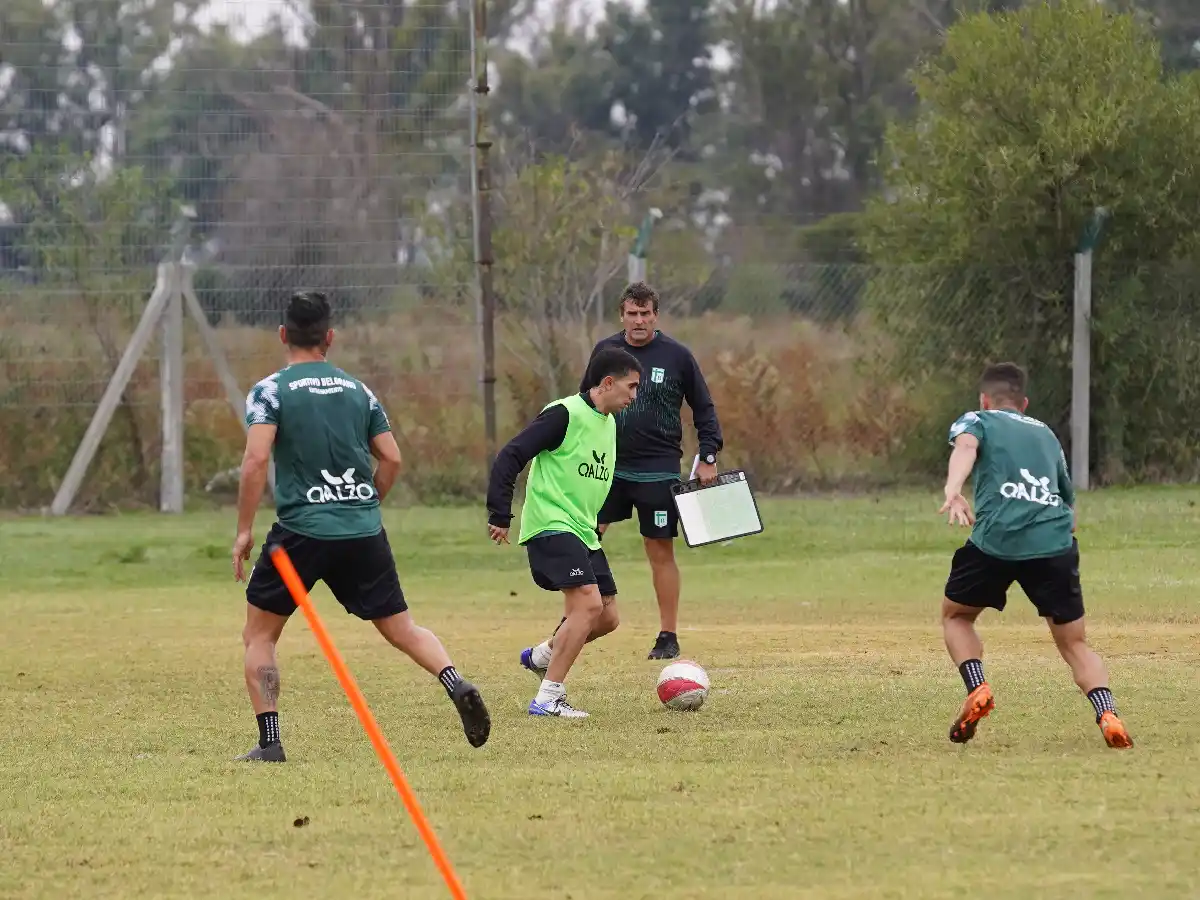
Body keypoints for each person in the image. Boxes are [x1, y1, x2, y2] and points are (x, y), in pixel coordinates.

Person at [231, 290, 491, 761]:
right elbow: (391, 458)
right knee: (402, 628)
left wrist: (244, 530)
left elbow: (255, 460)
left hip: (301, 532)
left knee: (261, 636)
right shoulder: (358, 390)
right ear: (330, 337)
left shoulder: (271, 390)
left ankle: (270, 742)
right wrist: (367, 502)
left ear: (283, 335)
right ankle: (455, 681)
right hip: (363, 529)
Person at [938, 361, 1133, 750]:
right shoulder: (1046, 435)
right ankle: (1108, 713)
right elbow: (1070, 511)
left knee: (956, 616)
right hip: (1053, 543)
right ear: (1023, 402)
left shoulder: (978, 419)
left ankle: (977, 688)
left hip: (998, 540)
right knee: (1075, 643)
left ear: (985, 399)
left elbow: (966, 445)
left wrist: (953, 489)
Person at [486, 347, 643, 718]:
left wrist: (601, 520)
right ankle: (547, 698)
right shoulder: (564, 414)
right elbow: (511, 454)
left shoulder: (608, 423)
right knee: (588, 605)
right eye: (631, 386)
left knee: (607, 616)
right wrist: (500, 512)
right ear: (607, 383)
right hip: (551, 525)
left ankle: (542, 655)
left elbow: (595, 479)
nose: (634, 396)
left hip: (582, 530)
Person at [579, 281, 723, 660]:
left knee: (659, 550)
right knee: (584, 536)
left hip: (658, 468)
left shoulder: (677, 356)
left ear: (655, 315)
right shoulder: (606, 353)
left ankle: (667, 634)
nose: (639, 320)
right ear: (622, 315)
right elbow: (584, 404)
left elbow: (704, 409)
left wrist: (708, 455)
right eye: (632, 313)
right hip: (605, 465)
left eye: (645, 313)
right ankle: (577, 618)